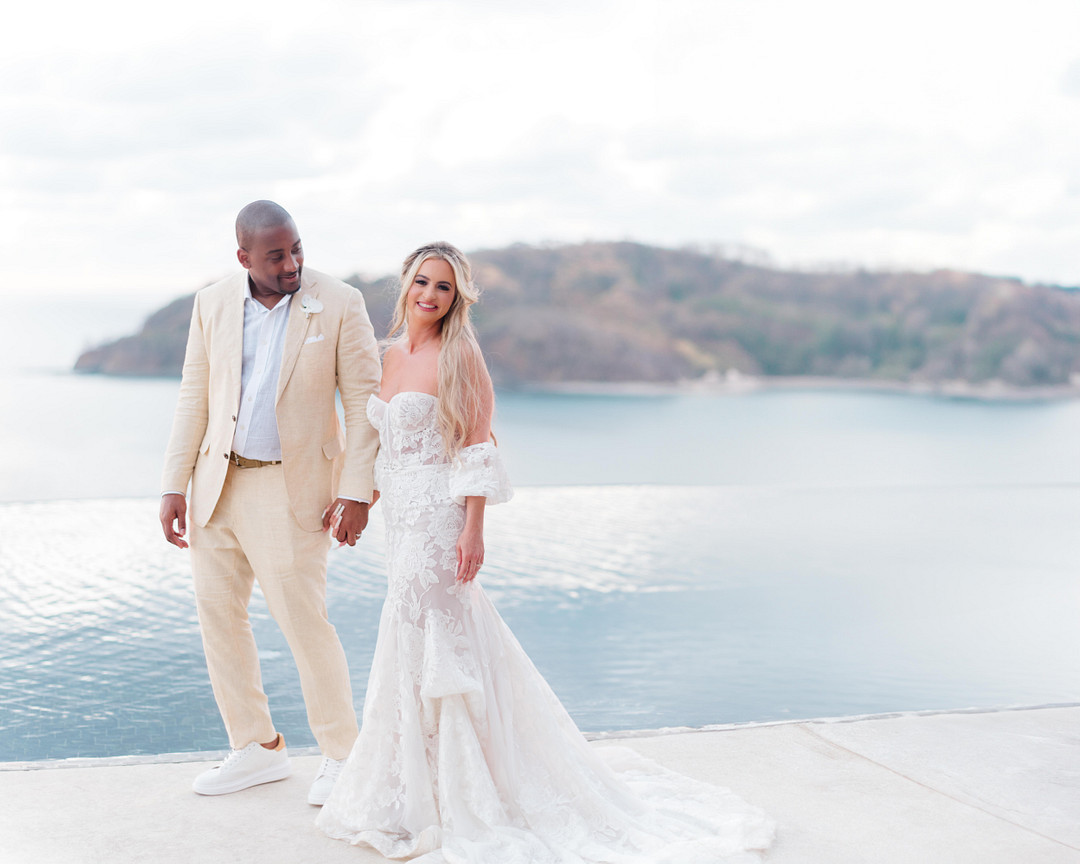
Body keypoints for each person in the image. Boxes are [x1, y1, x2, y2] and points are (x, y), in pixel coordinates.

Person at [316, 242, 774, 862]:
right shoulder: (384, 355)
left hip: (439, 517)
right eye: (422, 281)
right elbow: (374, 442)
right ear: (404, 285)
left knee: (438, 635)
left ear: (458, 298)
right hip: (399, 516)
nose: (429, 294)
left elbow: (476, 446)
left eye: (443, 287)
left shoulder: (461, 356)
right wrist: (355, 499)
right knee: (406, 630)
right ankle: (409, 783)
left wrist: (474, 530)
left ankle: (463, 791)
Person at [159, 200, 381, 805]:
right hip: (216, 488)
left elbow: (364, 403)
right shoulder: (212, 303)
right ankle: (257, 748)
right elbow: (193, 398)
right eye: (276, 255)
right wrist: (174, 484)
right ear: (244, 257)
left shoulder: (339, 302)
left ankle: (342, 754)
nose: (292, 263)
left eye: (297, 249)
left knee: (305, 622)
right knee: (219, 620)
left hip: (293, 489)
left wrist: (356, 491)